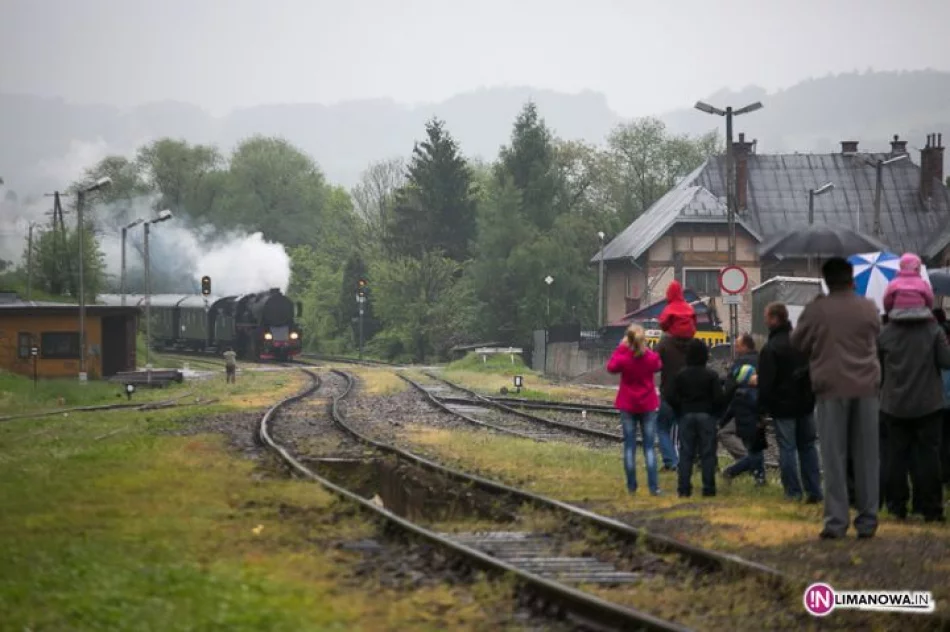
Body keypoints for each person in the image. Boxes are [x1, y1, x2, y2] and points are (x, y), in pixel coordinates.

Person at [792, 258, 881, 539]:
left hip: (831, 388)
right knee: (867, 457)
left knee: (834, 456)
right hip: (867, 387)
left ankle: (836, 522)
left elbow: (799, 343)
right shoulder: (867, 306)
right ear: (851, 279)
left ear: (827, 280)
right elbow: (875, 332)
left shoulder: (818, 309)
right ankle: (868, 521)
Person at [878, 301, 950, 522]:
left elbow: (878, 366)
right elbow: (946, 361)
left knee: (895, 457)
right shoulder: (933, 331)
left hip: (893, 404)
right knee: (928, 457)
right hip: (928, 404)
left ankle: (896, 506)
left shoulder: (885, 333)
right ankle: (930, 507)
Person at [758, 302, 822, 504]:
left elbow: (766, 382)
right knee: (808, 447)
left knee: (787, 448)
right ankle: (814, 490)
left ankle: (793, 492)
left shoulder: (771, 348)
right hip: (805, 404)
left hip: (783, 407)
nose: (765, 320)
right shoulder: (802, 343)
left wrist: (762, 409)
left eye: (767, 317)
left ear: (775, 319)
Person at [607, 324, 664, 496]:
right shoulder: (650, 357)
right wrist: (645, 349)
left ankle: (632, 487)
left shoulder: (624, 357)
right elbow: (659, 364)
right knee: (649, 447)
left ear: (628, 339)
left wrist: (621, 348)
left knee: (630, 447)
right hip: (647, 404)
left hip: (628, 405)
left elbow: (611, 367)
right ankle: (654, 487)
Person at [668, 338, 723, 497]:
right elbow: (719, 398)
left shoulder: (681, 375)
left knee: (686, 453)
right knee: (707, 453)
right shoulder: (711, 375)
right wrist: (714, 413)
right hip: (706, 416)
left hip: (686, 415)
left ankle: (684, 489)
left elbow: (670, 396)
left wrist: (680, 409)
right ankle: (708, 488)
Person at [721, 363, 766, 485]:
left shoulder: (740, 393)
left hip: (750, 428)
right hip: (753, 428)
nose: (756, 376)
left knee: (758, 454)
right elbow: (758, 407)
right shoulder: (749, 393)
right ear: (747, 378)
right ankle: (731, 471)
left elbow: (730, 412)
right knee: (754, 456)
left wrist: (722, 423)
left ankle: (760, 479)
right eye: (753, 375)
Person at [719, 334, 758, 462]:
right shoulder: (762, 359)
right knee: (755, 439)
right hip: (759, 404)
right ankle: (758, 472)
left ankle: (746, 461)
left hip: (741, 405)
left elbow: (731, 385)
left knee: (725, 433)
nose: (735, 349)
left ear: (746, 346)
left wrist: (725, 403)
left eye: (738, 346)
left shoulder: (741, 362)